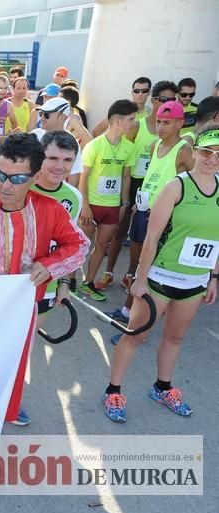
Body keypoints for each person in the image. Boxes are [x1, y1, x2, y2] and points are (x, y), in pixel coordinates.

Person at [0, 133, 89, 425]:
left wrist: (49, 266)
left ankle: (2, 420)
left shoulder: (50, 211)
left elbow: (80, 246)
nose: (5, 185)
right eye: (0, 175)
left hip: (23, 315)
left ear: (35, 176)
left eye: (17, 178)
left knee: (11, 372)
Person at [102, 126, 219, 423]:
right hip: (160, 279)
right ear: (194, 152)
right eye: (207, 152)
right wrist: (140, 279)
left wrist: (213, 277)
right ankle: (113, 390)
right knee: (136, 337)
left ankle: (162, 387)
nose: (212, 159)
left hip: (194, 282)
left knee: (176, 338)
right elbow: (152, 238)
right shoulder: (176, 187)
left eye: (218, 155)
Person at [103, 101, 194, 330]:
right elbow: (151, 175)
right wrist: (141, 198)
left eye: (168, 123)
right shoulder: (155, 146)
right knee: (135, 265)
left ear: (180, 123)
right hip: (143, 211)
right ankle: (127, 311)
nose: (162, 127)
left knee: (149, 270)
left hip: (164, 219)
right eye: (159, 122)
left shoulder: (184, 151)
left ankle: (138, 324)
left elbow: (193, 185)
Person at [100, 81, 179, 291]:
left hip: (154, 187)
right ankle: (109, 273)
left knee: (144, 236)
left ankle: (131, 276)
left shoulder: (174, 130)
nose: (166, 103)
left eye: (171, 99)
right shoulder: (138, 124)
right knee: (121, 230)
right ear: (153, 99)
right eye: (162, 99)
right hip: (134, 182)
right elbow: (120, 149)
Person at [78, 100, 138, 302]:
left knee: (102, 245)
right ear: (117, 121)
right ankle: (67, 280)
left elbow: (126, 177)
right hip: (91, 204)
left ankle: (89, 283)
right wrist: (84, 204)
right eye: (131, 119)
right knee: (80, 245)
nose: (134, 123)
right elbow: (83, 177)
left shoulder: (129, 147)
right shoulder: (94, 146)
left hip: (112, 206)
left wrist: (124, 203)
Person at [32, 131, 84, 318]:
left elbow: (69, 246)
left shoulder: (74, 197)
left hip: (47, 286)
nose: (59, 166)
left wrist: (64, 283)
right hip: (12, 285)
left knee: (30, 346)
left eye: (68, 160)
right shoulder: (21, 187)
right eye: (52, 158)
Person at [30, 98, 84, 183]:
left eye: (47, 115)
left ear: (62, 117)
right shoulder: (35, 135)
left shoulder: (72, 142)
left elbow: (74, 176)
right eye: (41, 114)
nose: (42, 118)